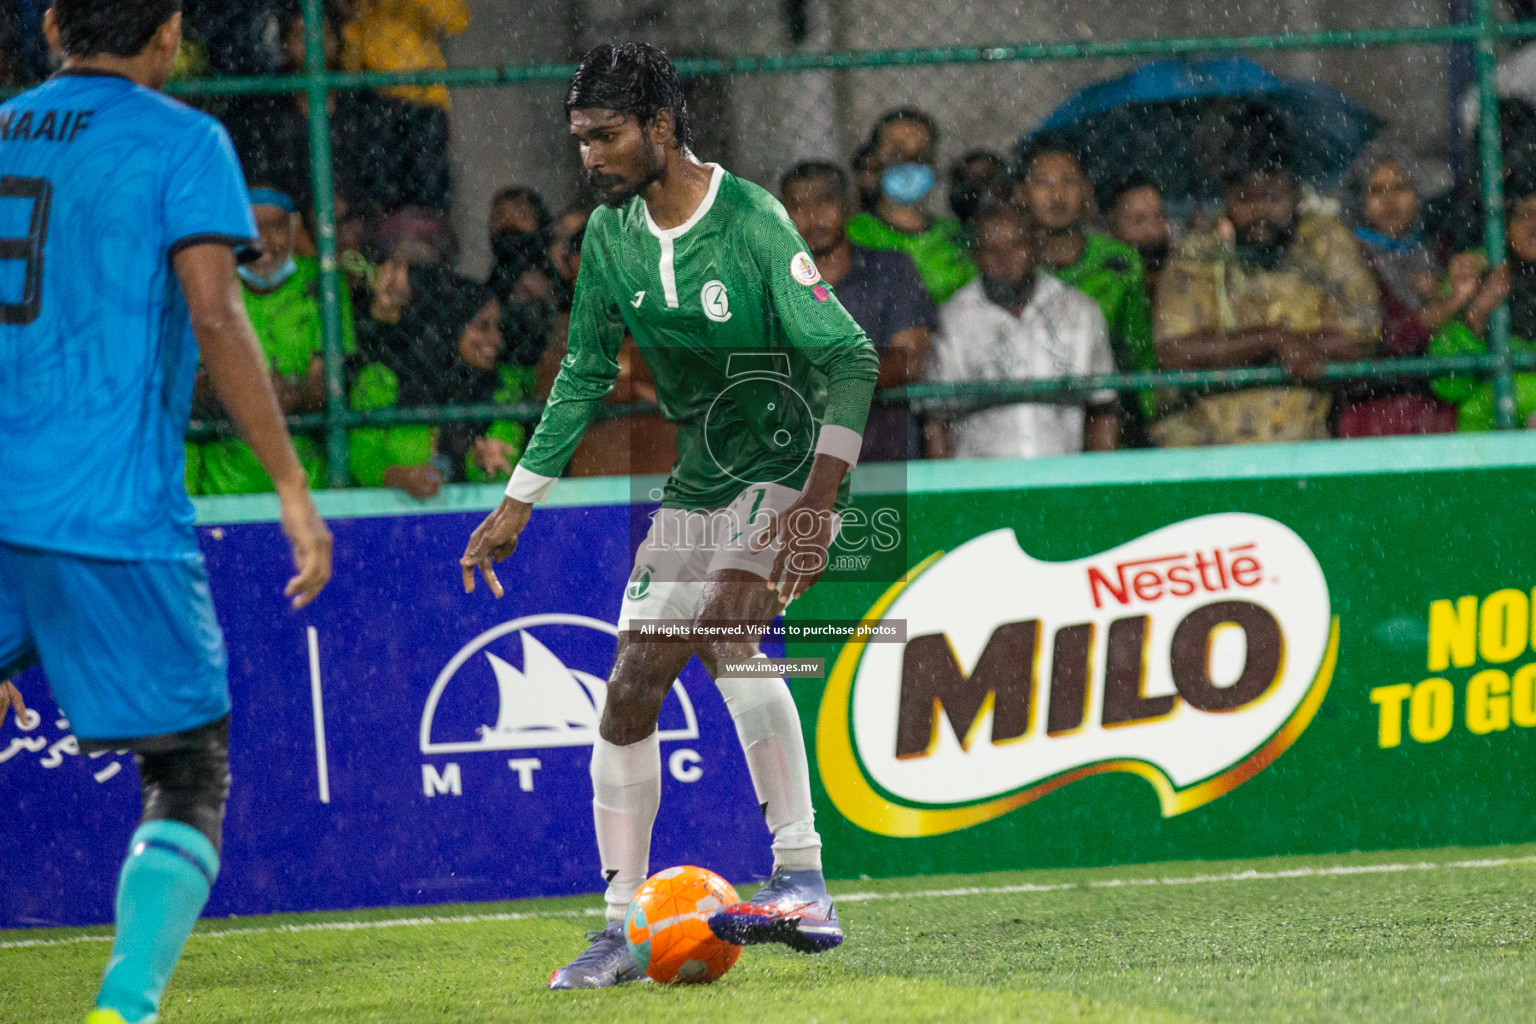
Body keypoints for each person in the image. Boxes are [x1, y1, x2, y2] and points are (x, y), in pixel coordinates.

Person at [459, 42, 879, 988]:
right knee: (631, 685)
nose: (589, 157)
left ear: (659, 127)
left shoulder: (754, 223)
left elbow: (850, 359)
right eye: (578, 139)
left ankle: (805, 880)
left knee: (729, 633)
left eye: (605, 136)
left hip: (783, 461)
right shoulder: (608, 239)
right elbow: (582, 372)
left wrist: (819, 503)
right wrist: (517, 504)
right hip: (699, 482)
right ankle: (619, 928)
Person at [0, 4, 333, 1023]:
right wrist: (287, 483)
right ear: (173, 33)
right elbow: (215, 309)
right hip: (106, 508)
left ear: (54, 23)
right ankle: (125, 1005)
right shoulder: (184, 140)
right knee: (188, 769)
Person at [1153, 140, 1381, 446]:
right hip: (1206, 456)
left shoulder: (1325, 242)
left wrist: (1279, 347)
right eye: (1245, 199)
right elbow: (1174, 351)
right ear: (1226, 199)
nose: (1259, 211)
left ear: (1296, 193)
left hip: (1301, 453)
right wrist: (1272, 341)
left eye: (1273, 197)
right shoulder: (1199, 250)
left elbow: (1365, 335)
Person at [926, 202, 1119, 459]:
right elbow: (936, 419)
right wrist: (946, 494)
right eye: (991, 249)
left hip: (1063, 481)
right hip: (981, 486)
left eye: (1016, 246)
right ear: (975, 255)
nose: (1004, 260)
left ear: (1037, 247)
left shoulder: (1080, 312)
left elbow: (1103, 406)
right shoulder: (954, 320)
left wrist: (1098, 483)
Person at [198, 187, 357, 494]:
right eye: (251, 228)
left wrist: (293, 395)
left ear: (295, 229)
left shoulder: (324, 285)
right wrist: (246, 395)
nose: (265, 242)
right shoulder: (209, 288)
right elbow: (193, 385)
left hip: (308, 482)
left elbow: (327, 386)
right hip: (224, 485)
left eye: (277, 228)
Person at [781, 161, 935, 462]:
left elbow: (909, 362)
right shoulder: (773, 285)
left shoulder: (892, 270)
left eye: (825, 201)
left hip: (885, 456)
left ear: (848, 205)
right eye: (798, 206)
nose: (813, 218)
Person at [1017, 142, 1156, 442]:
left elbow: (1137, 353)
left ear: (1087, 191)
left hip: (1106, 421)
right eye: (1043, 183)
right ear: (1022, 194)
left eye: (1069, 182)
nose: (1057, 196)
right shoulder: (1009, 265)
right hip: (1031, 426)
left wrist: (1142, 423)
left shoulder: (1119, 262)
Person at [351, 270, 526, 496]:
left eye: (498, 327)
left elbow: (504, 455)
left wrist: (481, 462)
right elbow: (360, 457)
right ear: (448, 325)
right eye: (483, 326)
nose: (496, 340)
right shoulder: (380, 378)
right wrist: (403, 478)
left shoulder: (502, 384)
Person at [1337, 141, 1464, 436]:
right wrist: (1441, 308)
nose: (1390, 200)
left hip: (1433, 406)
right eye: (1376, 190)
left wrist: (1440, 292)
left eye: (1401, 187)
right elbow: (1383, 337)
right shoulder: (1350, 256)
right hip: (1372, 407)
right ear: (1360, 200)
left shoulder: (1437, 251)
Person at [336, 0, 468, 212]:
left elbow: (454, 20)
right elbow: (351, 62)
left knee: (428, 189)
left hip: (424, 102)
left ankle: (427, 231)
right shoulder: (368, 11)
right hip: (381, 104)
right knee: (384, 191)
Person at [1430, 167, 1536, 430]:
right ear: (1505, 225)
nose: (1535, 225)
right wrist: (1476, 314)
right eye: (1524, 215)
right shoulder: (1473, 272)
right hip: (1485, 445)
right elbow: (1448, 386)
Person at [845, 108, 975, 304]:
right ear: (873, 162)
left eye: (921, 154)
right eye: (897, 153)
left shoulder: (957, 237)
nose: (910, 164)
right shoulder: (851, 236)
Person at [1106, 172, 1172, 301]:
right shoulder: (1103, 285)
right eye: (1138, 220)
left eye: (1159, 216)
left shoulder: (1185, 275)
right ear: (1112, 227)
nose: (1152, 231)